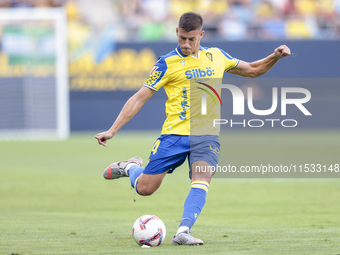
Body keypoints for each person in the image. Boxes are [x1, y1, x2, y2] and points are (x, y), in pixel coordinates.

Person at [95, 11, 291, 245]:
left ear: (201, 35)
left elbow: (253, 70)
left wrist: (275, 57)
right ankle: (131, 168)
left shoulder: (217, 56)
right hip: (174, 136)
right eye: (182, 39)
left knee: (201, 179)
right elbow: (139, 98)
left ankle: (183, 232)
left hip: (206, 135)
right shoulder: (166, 63)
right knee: (145, 189)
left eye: (192, 39)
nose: (187, 44)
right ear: (177, 33)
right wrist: (112, 129)